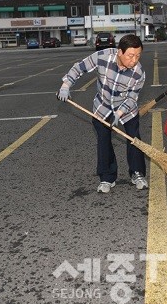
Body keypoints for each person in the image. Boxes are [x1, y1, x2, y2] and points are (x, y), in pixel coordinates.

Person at [57, 34, 147, 193]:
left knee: (133, 139)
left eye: (138, 56)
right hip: (102, 107)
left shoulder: (138, 72)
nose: (134, 60)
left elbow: (133, 98)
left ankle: (137, 173)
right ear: (120, 52)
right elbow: (80, 67)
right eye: (131, 55)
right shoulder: (103, 56)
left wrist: (119, 113)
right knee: (104, 141)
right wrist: (66, 85)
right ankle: (107, 177)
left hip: (126, 110)